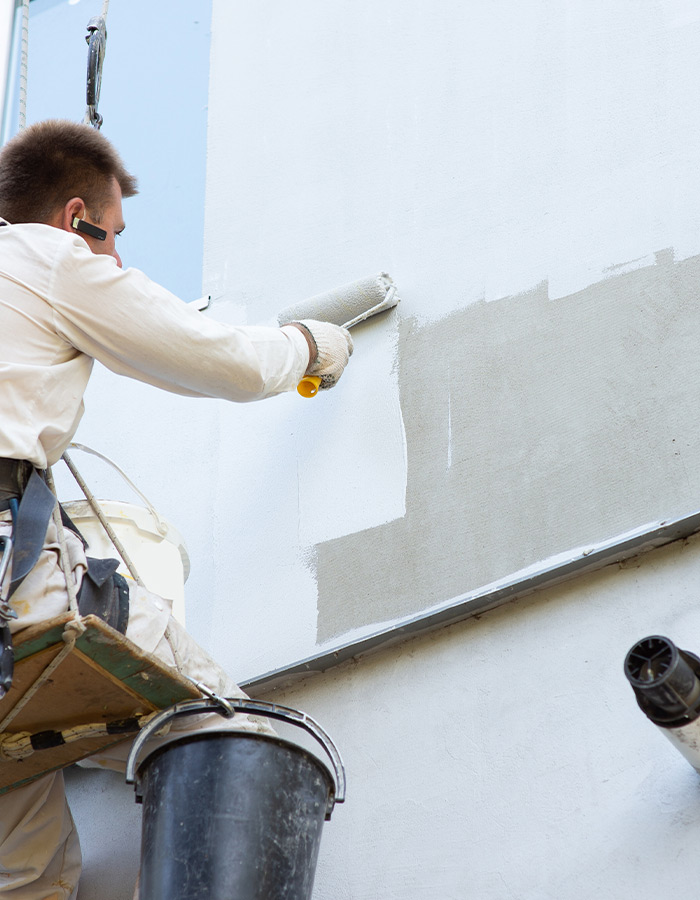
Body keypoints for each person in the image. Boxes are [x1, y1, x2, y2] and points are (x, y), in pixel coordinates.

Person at [0, 119, 353, 899]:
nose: (116, 258)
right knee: (220, 723)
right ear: (72, 218)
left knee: (22, 867)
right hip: (9, 587)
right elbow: (216, 357)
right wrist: (311, 346)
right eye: (112, 235)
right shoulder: (47, 257)